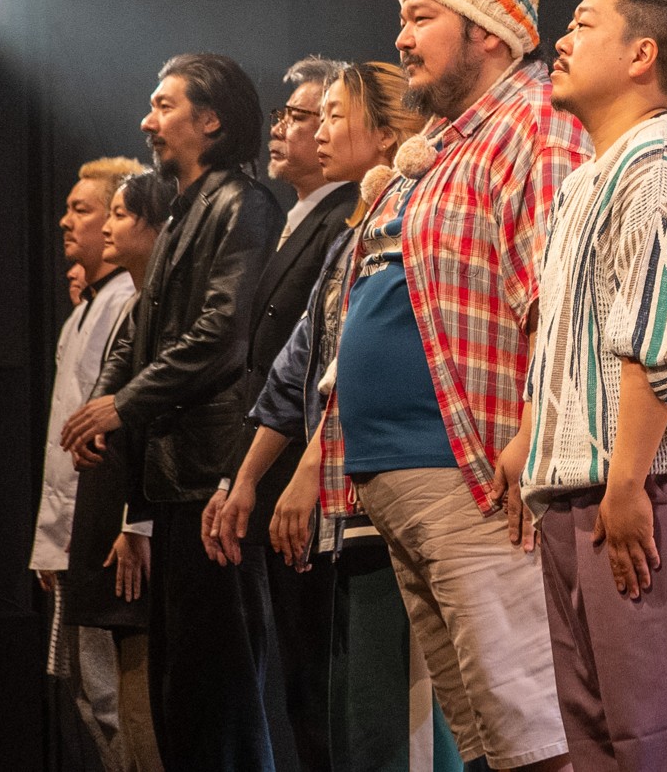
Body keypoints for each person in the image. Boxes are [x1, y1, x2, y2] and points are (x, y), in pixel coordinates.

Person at [317, 0, 588, 772]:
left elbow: (555, 294)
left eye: (421, 18)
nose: (400, 39)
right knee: (484, 739)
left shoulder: (535, 124)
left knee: (530, 733)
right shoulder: (444, 146)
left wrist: (531, 433)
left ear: (489, 32)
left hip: (474, 474)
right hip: (405, 475)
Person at [503, 0, 667, 772]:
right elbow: (564, 328)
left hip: (637, 489)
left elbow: (662, 337)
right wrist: (529, 439)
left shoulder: (666, 161)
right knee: (598, 738)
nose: (561, 42)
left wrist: (630, 480)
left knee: (662, 733)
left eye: (582, 24)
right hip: (580, 490)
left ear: (642, 54)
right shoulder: (585, 180)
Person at [222, 61, 459, 770]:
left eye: (334, 115)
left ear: (386, 134)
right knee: (349, 718)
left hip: (391, 489)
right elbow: (300, 361)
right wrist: (244, 478)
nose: (318, 131)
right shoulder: (352, 233)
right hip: (347, 504)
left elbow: (366, 366)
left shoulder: (412, 218)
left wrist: (306, 471)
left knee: (400, 724)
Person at [61, 54, 284, 772]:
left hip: (211, 473)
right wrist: (105, 408)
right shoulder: (187, 207)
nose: (147, 121)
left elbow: (223, 334)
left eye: (164, 106)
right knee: (180, 692)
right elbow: (143, 328)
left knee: (219, 690)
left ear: (210, 120)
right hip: (175, 477)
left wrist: (123, 405)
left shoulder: (243, 204)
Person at [199, 54, 353, 772]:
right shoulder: (299, 218)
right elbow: (277, 366)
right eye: (287, 115)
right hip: (276, 465)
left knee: (323, 684)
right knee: (296, 683)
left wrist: (295, 470)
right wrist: (239, 476)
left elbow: (328, 365)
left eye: (316, 115)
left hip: (316, 476)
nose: (292, 129)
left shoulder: (348, 219)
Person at [36, 156, 145, 768]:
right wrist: (50, 543)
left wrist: (133, 522)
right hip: (74, 534)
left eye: (83, 209)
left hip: (103, 529)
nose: (66, 221)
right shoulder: (87, 307)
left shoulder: (126, 302)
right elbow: (67, 430)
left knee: (113, 698)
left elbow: (128, 422)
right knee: (84, 691)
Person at [69, 169, 179, 772]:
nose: (107, 227)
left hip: (138, 524)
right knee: (113, 694)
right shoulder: (136, 305)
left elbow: (158, 420)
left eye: (118, 214)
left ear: (158, 227)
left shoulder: (164, 307)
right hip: (110, 516)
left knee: (140, 699)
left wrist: (138, 523)